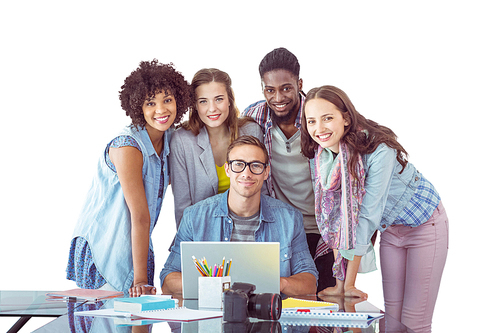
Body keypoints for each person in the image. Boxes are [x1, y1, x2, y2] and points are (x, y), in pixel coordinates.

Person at [301, 85, 448, 333]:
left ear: (346, 118)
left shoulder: (379, 150)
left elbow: (367, 217)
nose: (319, 129)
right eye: (311, 121)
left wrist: (348, 286)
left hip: (424, 225)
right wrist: (339, 286)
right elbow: (336, 223)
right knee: (390, 318)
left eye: (328, 118)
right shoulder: (323, 156)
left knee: (413, 321)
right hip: (391, 230)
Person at [66, 59, 191, 297]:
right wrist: (141, 279)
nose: (161, 110)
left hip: (136, 244)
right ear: (138, 107)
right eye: (150, 103)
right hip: (105, 246)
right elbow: (140, 215)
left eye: (167, 100)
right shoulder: (127, 147)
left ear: (179, 101)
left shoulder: (172, 139)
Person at [160, 135, 318, 296]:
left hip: (269, 314)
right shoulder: (194, 217)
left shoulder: (290, 219)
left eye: (255, 166)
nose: (246, 173)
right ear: (227, 169)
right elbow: (168, 280)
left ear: (266, 172)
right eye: (238, 165)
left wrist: (277, 283)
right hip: (212, 315)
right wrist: (212, 286)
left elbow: (310, 283)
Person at [242, 47, 335, 292]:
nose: (278, 98)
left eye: (286, 88)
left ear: (299, 83)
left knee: (326, 305)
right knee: (278, 302)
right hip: (282, 228)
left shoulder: (317, 117)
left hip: (323, 227)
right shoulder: (254, 116)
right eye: (270, 90)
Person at [170, 68, 264, 228]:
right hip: (203, 230)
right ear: (195, 105)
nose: (212, 108)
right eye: (203, 101)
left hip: (249, 229)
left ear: (229, 100)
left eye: (219, 99)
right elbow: (183, 207)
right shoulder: (182, 141)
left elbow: (263, 191)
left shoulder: (251, 131)